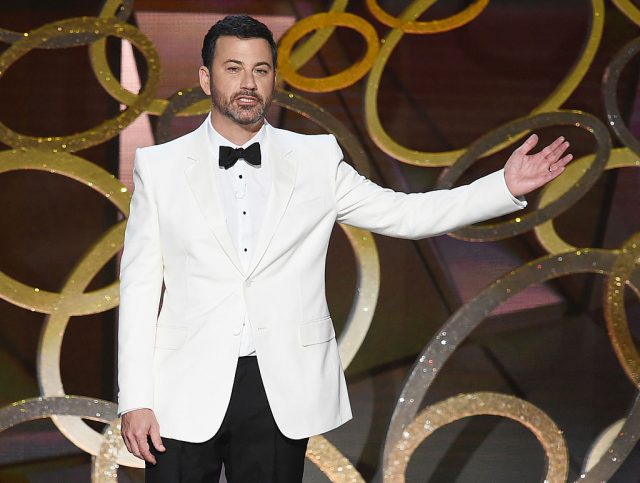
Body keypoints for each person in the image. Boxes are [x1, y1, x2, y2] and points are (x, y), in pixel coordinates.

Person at [117, 14, 572, 483]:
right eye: (233, 68)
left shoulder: (315, 160)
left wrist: (503, 186)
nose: (248, 83)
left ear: (274, 77)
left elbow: (407, 215)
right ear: (205, 78)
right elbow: (139, 289)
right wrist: (135, 398)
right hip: (183, 384)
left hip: (281, 385)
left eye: (261, 69)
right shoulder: (161, 167)